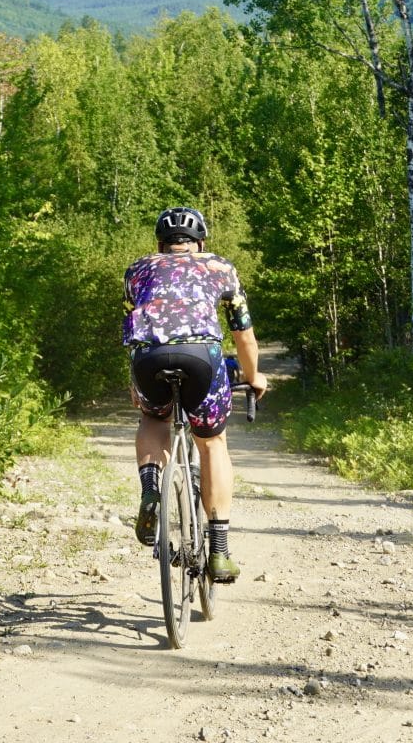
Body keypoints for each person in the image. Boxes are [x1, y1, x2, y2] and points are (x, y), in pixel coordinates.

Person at [122, 206, 267, 583]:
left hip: (147, 359)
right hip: (202, 356)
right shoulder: (219, 267)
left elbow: (132, 328)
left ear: (160, 244)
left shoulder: (138, 270)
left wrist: (136, 382)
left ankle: (151, 491)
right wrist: (254, 377)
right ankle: (219, 551)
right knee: (213, 443)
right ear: (199, 243)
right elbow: (243, 335)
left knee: (154, 417)